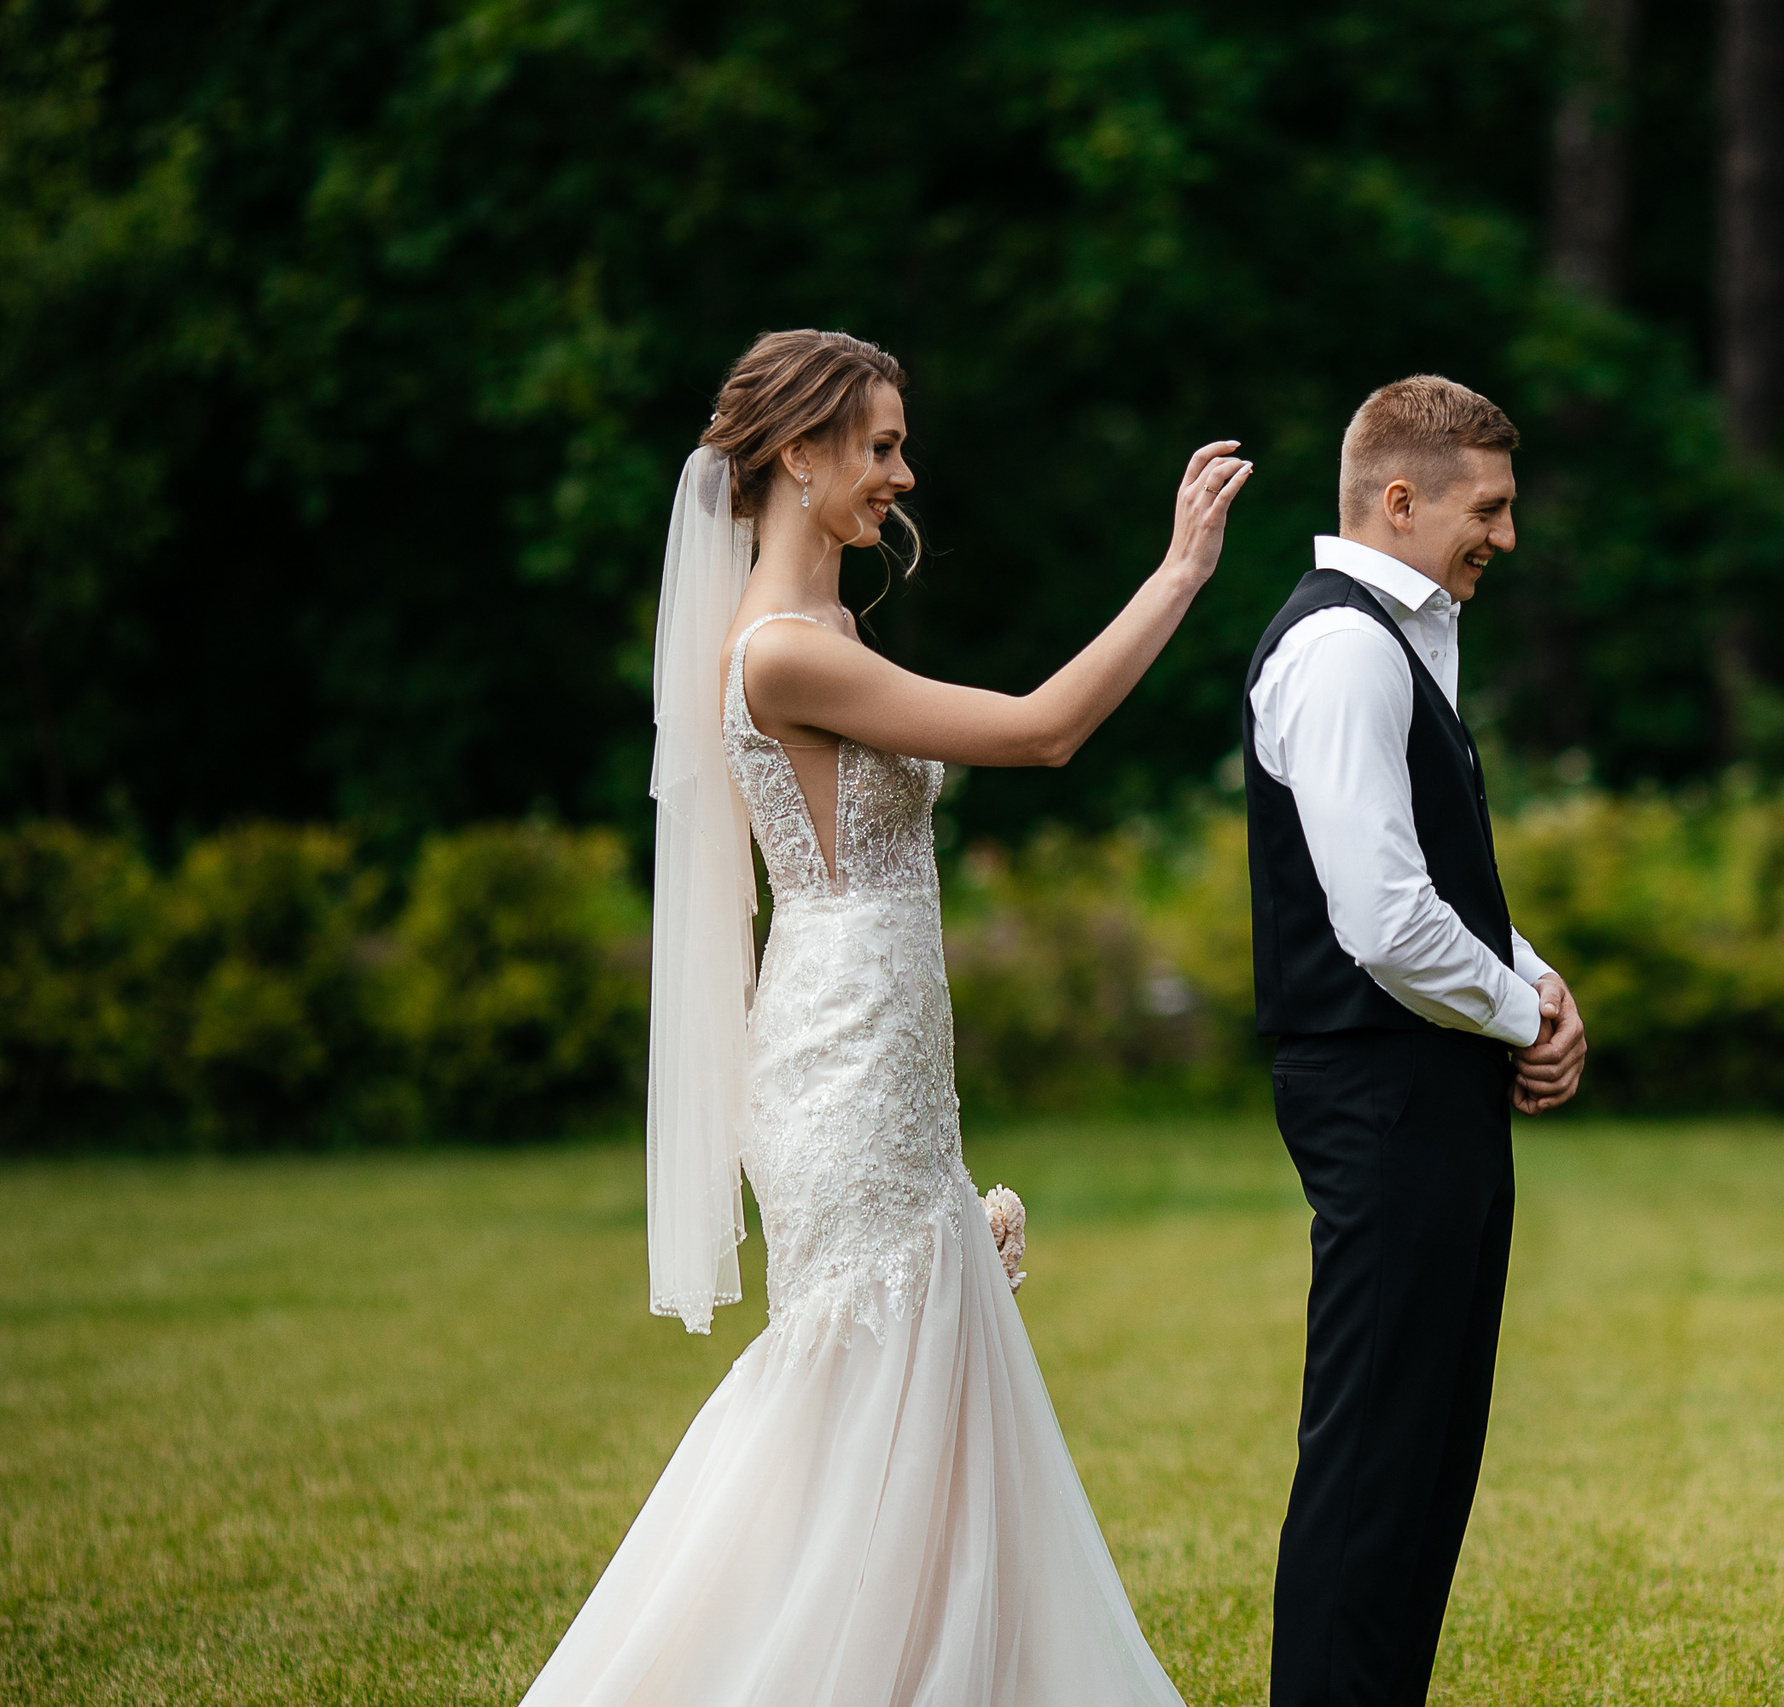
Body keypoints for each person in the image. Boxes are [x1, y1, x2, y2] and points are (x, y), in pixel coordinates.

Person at [518, 329, 1251, 1707]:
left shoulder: (830, 635)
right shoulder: (787, 652)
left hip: (880, 1049)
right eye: (880, 445)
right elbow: (1040, 731)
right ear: (797, 453)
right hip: (845, 1063)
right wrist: (1177, 576)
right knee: (855, 1392)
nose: (903, 474)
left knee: (906, 1402)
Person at [1242, 375, 1588, 1707]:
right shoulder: (1341, 648)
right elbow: (1383, 920)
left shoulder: (1403, 637)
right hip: (1376, 1089)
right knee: (1376, 1458)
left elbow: (1439, 877)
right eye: (1488, 509)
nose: (1504, 536)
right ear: (1402, 499)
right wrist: (1522, 1016)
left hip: (1425, 1082)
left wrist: (1539, 988)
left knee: (1429, 1456)